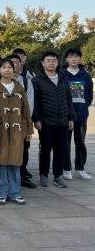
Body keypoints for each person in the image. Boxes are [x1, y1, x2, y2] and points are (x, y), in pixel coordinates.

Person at [0, 58, 33, 204]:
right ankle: (0, 192)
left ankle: (14, 192)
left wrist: (29, 130)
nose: (7, 70)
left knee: (15, 162)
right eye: (4, 67)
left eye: (9, 67)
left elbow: (26, 110)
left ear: (14, 69)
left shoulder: (19, 87)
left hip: (17, 130)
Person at [32, 51, 76, 188]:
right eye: (48, 60)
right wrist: (37, 119)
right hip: (46, 122)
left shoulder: (63, 78)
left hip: (63, 121)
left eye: (54, 60)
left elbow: (69, 99)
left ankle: (58, 176)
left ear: (57, 62)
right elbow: (36, 102)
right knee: (45, 150)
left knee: (61, 150)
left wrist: (71, 118)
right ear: (43, 63)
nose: (51, 63)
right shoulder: (37, 80)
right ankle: (43, 175)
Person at [60, 48, 92, 180]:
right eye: (71, 56)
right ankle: (66, 168)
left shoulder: (86, 76)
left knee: (80, 143)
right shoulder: (61, 75)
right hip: (65, 115)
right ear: (66, 59)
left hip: (81, 115)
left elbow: (89, 95)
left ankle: (80, 168)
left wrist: (84, 107)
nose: (74, 59)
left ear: (80, 59)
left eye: (76, 56)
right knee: (65, 143)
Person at [7, 54, 36, 188]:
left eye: (17, 63)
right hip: (5, 124)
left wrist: (25, 122)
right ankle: (8, 177)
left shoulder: (26, 82)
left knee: (24, 149)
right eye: (11, 63)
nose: (15, 65)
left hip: (22, 122)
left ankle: (22, 175)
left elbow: (29, 104)